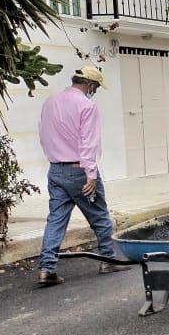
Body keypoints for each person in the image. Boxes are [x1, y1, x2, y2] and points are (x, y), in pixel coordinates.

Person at [36, 66, 132, 287]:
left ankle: (46, 268)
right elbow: (87, 142)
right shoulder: (86, 105)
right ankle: (108, 259)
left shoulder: (50, 102)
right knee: (99, 215)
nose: (95, 91)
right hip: (79, 170)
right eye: (96, 87)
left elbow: (44, 135)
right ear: (89, 84)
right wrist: (90, 173)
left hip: (56, 169)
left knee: (56, 219)